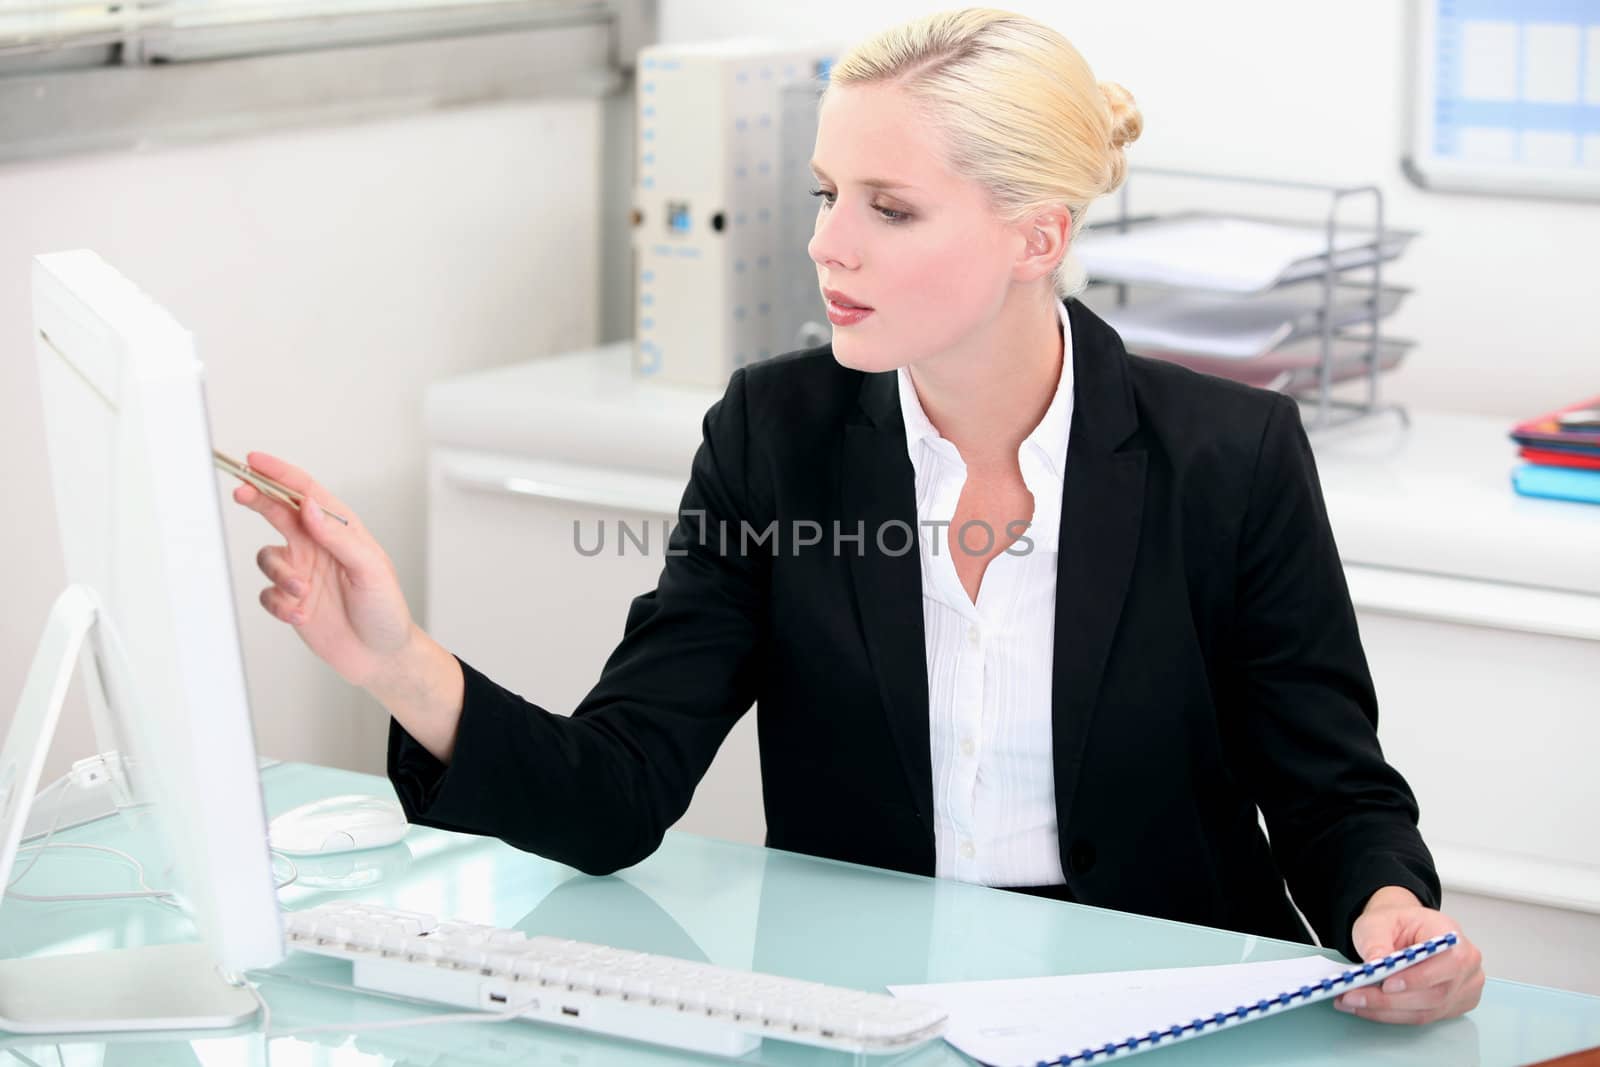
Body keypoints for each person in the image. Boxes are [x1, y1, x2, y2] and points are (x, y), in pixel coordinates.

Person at [235, 7, 1483, 1025]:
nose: (828, 243)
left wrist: (1386, 909)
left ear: (1033, 234)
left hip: (1171, 1003)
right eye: (829, 192)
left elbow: (1331, 794)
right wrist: (395, 660)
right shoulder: (773, 437)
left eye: (889, 208)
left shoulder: (1228, 453)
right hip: (874, 1006)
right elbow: (618, 791)